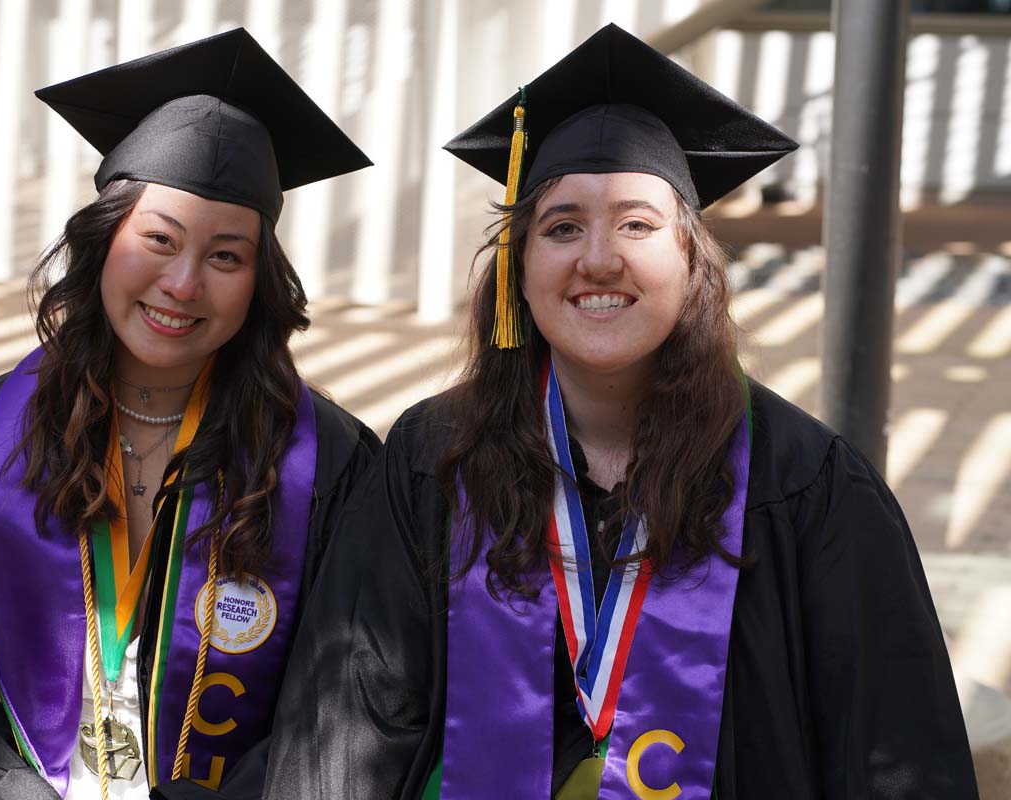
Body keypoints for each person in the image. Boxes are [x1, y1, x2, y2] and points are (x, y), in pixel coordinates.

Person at [263, 23, 978, 800]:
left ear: (691, 261)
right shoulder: (433, 458)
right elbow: (348, 731)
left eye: (637, 224)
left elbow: (891, 753)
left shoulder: (805, 484)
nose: (598, 258)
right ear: (519, 271)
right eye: (562, 226)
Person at [0, 29, 377, 800]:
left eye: (226, 256)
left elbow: (338, 704)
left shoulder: (331, 466)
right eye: (158, 238)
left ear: (258, 280)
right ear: (105, 238)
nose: (182, 284)